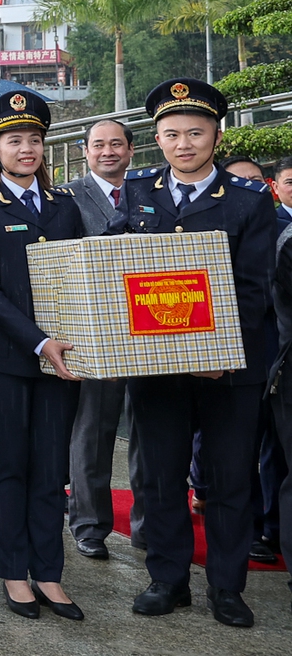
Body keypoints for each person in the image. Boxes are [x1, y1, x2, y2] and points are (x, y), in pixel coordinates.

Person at [114, 80, 276, 628]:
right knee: (159, 476)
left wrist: (220, 348)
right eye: (172, 134)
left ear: (216, 135)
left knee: (229, 478)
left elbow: (254, 289)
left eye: (196, 132)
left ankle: (227, 588)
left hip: (229, 367)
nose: (184, 143)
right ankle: (169, 579)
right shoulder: (137, 194)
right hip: (157, 366)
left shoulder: (250, 200)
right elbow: (116, 266)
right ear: (156, 139)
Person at [0, 88, 86, 621]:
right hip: (7, 357)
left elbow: (83, 276)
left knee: (50, 464)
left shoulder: (65, 207)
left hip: (63, 358)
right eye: (14, 140)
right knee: (10, 462)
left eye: (34, 139)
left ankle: (50, 572)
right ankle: (14, 571)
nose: (26, 148)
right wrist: (37, 341)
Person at [60, 118, 142, 562]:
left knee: (151, 431)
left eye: (116, 144)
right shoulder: (66, 198)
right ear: (85, 151)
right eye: (98, 145)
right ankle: (89, 524)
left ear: (130, 149)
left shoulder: (151, 193)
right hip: (95, 331)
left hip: (151, 329)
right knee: (94, 431)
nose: (108, 152)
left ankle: (148, 523)